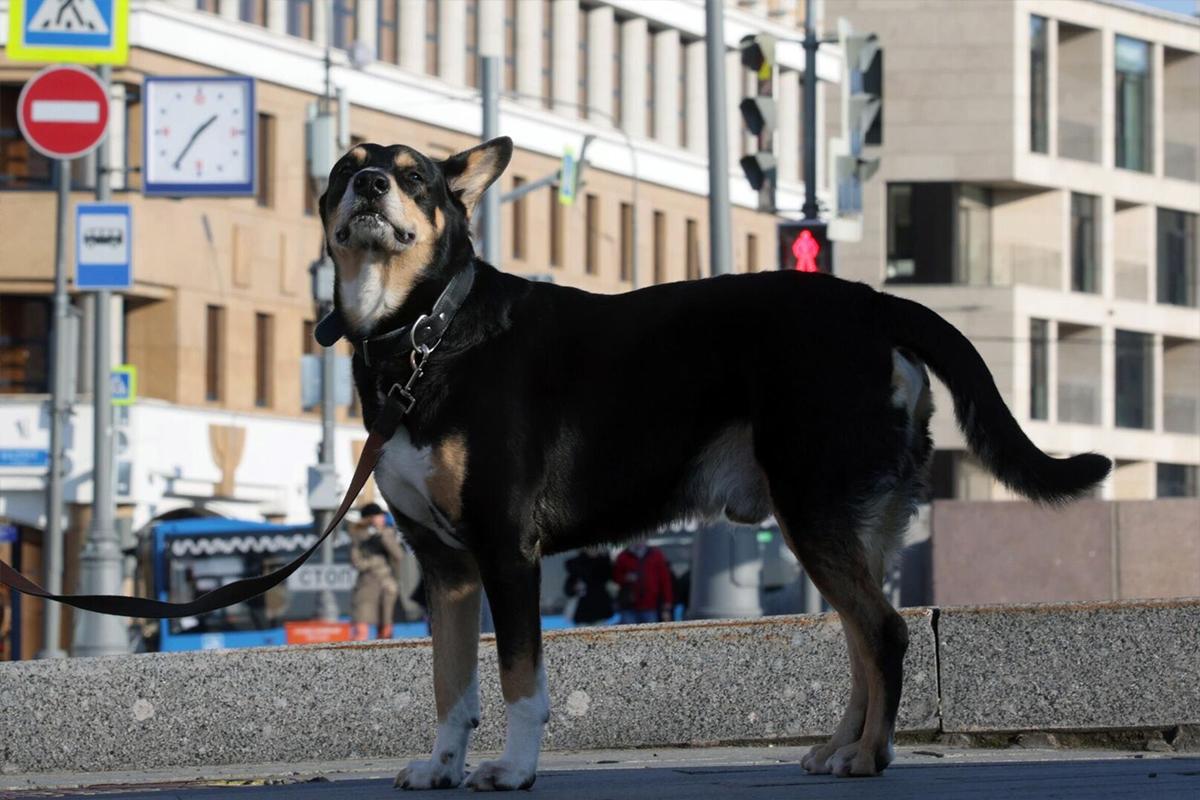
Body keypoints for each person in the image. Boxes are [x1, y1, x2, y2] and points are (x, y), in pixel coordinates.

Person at [348, 502, 405, 639]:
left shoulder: (388, 533)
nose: (381, 519)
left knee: (386, 628)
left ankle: (385, 658)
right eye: (377, 516)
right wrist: (374, 561)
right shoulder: (359, 536)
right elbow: (356, 562)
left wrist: (383, 536)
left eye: (381, 516)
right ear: (369, 518)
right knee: (361, 628)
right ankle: (356, 658)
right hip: (366, 586)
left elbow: (398, 555)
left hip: (387, 584)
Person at [612, 539, 674, 624]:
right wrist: (626, 578)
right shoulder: (623, 556)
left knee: (650, 634)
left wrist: (667, 601)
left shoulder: (656, 555)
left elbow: (665, 580)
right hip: (629, 605)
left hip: (651, 605)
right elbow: (616, 578)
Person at [563, 546, 613, 626]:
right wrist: (574, 588)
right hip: (582, 612)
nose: (594, 550)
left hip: (600, 611)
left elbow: (608, 577)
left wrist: (604, 558)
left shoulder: (603, 564)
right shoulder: (576, 566)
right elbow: (568, 589)